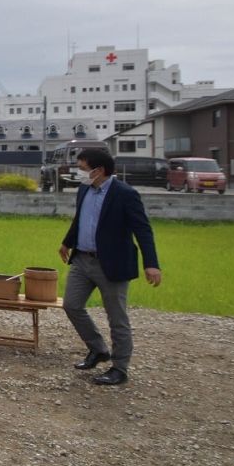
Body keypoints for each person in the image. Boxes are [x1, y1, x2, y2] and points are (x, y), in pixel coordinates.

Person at [58, 148, 162, 385]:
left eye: (83, 168)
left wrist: (151, 264)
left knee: (117, 317)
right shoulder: (84, 189)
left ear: (99, 170)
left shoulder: (125, 194)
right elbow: (80, 219)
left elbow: (143, 230)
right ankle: (98, 349)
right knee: (71, 305)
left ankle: (120, 367)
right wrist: (67, 242)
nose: (80, 173)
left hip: (112, 263)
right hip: (82, 259)